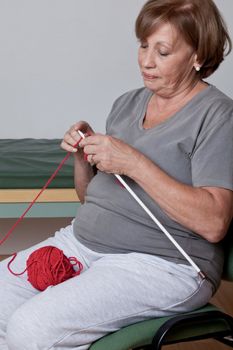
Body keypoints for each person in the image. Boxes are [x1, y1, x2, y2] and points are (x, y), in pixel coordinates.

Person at [1, 0, 233, 349]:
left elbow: (215, 222)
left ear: (197, 55)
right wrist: (84, 158)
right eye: (143, 45)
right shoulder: (126, 104)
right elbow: (96, 199)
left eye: (163, 51)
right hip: (83, 243)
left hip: (164, 265)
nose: (146, 60)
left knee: (32, 328)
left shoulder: (217, 116)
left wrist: (134, 162)